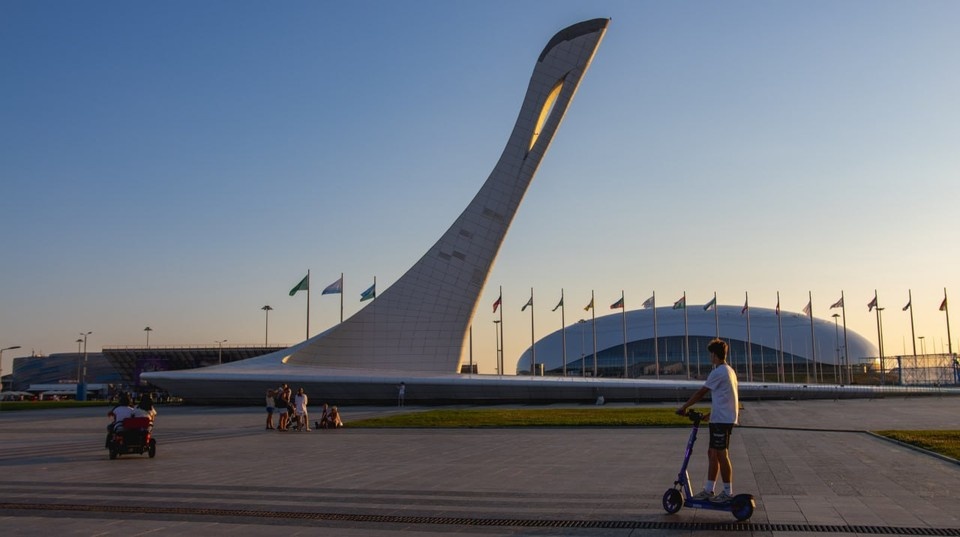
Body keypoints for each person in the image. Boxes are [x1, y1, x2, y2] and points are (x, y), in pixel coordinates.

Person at [677, 338, 739, 503]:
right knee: (712, 453)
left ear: (714, 355)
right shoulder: (729, 370)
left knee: (721, 454)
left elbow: (701, 393)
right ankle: (709, 490)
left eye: (710, 354)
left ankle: (727, 492)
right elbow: (725, 398)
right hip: (720, 418)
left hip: (722, 421)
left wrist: (684, 407)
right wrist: (709, 415)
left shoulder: (718, 372)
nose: (710, 357)